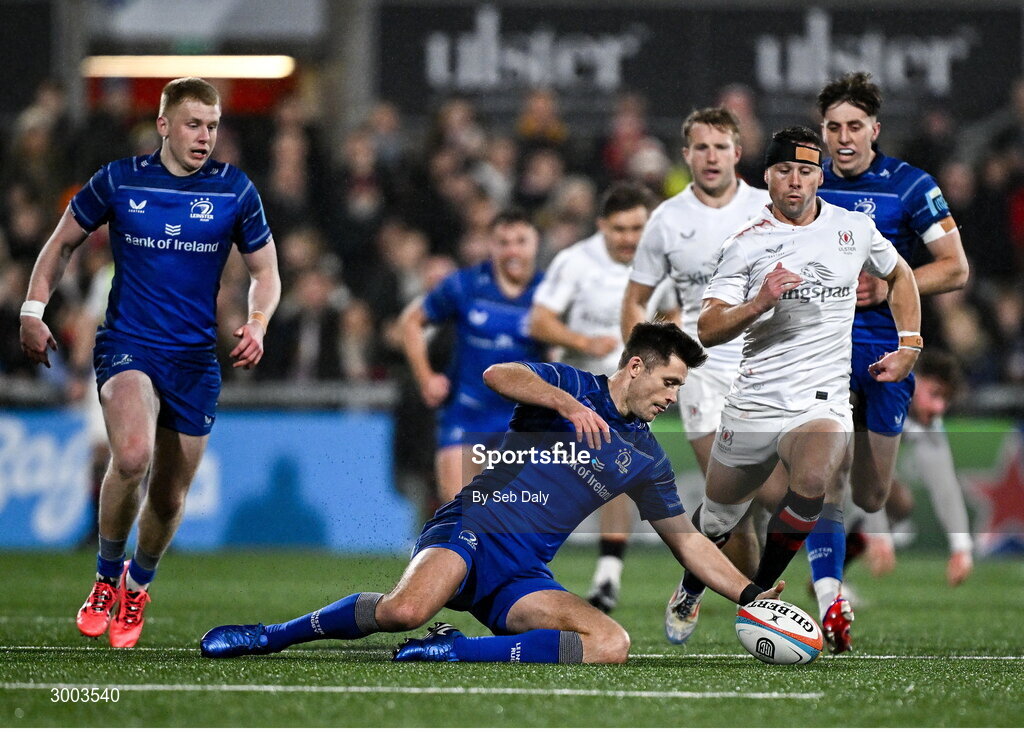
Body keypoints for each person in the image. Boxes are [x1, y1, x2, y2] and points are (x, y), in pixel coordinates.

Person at [200, 322, 783, 664]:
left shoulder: (647, 457)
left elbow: (689, 545)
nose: (672, 398)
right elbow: (497, 375)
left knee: (610, 642)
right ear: (635, 367)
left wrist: (753, 594)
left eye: (680, 388)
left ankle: (454, 649)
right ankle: (271, 636)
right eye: (669, 382)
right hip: (472, 528)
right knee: (405, 610)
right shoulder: (570, 383)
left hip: (521, 571)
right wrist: (567, 404)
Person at [19, 77, 281, 648]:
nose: (204, 137)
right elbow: (61, 242)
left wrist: (257, 323)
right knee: (132, 456)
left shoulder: (235, 190)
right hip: (128, 344)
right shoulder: (118, 179)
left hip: (193, 359)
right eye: (193, 124)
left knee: (168, 495)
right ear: (163, 124)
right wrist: (33, 309)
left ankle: (138, 584)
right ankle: (105, 579)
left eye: (212, 126)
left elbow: (266, 272)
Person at [665, 126, 921, 648]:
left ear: (819, 177)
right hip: (756, 400)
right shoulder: (745, 244)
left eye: (806, 172)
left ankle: (760, 596)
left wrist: (910, 345)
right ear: (768, 177)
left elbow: (902, 275)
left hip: (821, 399)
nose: (795, 182)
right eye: (785, 171)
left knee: (815, 478)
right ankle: (691, 586)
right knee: (718, 518)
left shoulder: (853, 228)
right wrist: (758, 303)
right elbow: (709, 328)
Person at [802, 72, 969, 653]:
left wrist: (889, 282)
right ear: (821, 132)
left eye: (854, 126)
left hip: (890, 352)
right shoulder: (806, 185)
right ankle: (829, 598)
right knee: (825, 475)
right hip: (821, 349)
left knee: (870, 496)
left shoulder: (910, 186)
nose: (843, 138)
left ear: (875, 128)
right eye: (833, 128)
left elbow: (954, 267)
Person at [619, 107, 775, 641]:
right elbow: (636, 299)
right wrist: (636, 367)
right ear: (686, 155)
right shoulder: (666, 219)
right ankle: (759, 613)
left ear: (738, 151)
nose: (711, 157)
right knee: (738, 499)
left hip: (766, 367)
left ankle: (693, 581)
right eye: (700, 148)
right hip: (702, 374)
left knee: (766, 497)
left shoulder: (769, 207)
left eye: (720, 147)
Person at [528, 182, 656, 613]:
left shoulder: (659, 263)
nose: (629, 238)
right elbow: (540, 321)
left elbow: (675, 314)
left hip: (624, 399)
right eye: (619, 229)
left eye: (637, 227)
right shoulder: (575, 261)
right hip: (575, 391)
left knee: (616, 478)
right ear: (602, 225)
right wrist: (582, 339)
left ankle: (606, 578)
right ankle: (521, 567)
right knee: (545, 484)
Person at [399, 208, 547, 503]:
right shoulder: (464, 285)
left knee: (512, 525)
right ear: (491, 247)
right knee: (458, 515)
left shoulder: (550, 293)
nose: (513, 250)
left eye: (521, 241)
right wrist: (426, 378)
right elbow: (411, 322)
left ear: (536, 243)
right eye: (503, 243)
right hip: (467, 414)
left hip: (520, 420)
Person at [853, 350, 974, 586]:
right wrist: (878, 534)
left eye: (946, 400)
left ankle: (833, 577)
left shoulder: (925, 421)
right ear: (914, 378)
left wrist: (961, 547)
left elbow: (945, 487)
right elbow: (863, 468)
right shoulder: (880, 392)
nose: (939, 407)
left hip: (851, 470)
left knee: (897, 503)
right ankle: (826, 576)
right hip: (823, 454)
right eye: (935, 393)